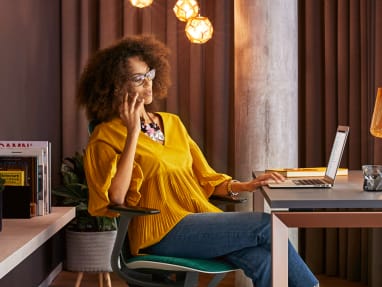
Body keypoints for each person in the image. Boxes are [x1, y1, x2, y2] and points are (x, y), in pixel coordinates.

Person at [77, 34, 319, 287]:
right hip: (161, 233)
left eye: (150, 74)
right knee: (266, 224)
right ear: (115, 85)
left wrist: (246, 185)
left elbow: (206, 178)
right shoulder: (105, 137)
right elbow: (115, 198)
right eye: (138, 79)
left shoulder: (172, 123)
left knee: (261, 259)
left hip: (198, 223)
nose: (148, 85)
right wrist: (133, 135)